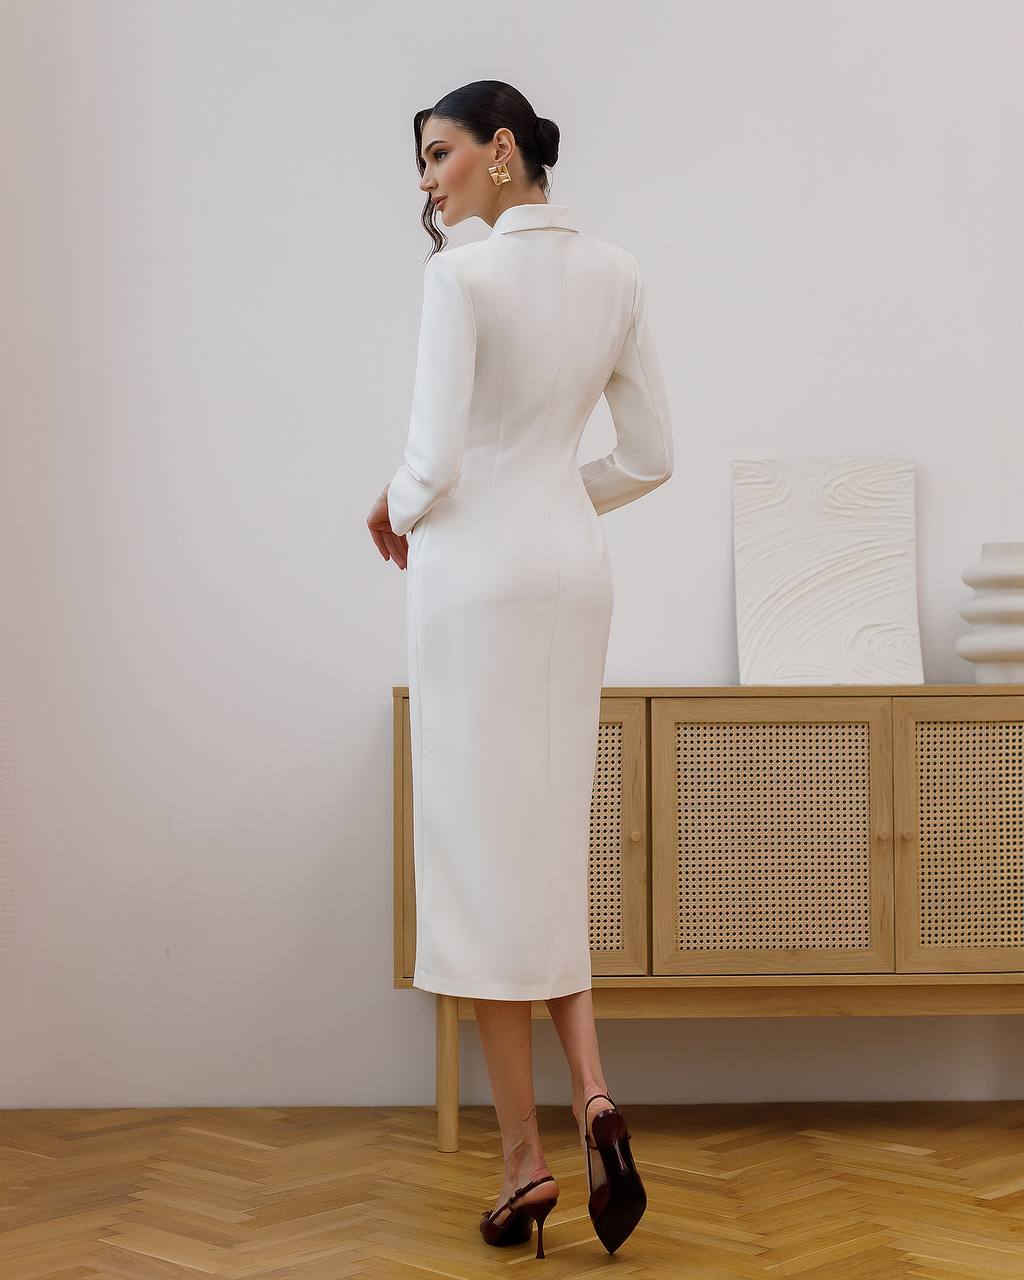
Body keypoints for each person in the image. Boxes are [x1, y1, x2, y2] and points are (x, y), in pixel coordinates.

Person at [366, 80, 673, 1257]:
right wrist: (551, 488)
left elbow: (433, 457)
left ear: (503, 151)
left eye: (440, 155)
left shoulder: (461, 276)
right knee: (545, 850)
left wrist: (394, 511)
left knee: (478, 866)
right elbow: (652, 453)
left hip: (477, 586)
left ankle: (523, 1164)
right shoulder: (617, 271)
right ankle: (596, 1095)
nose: (430, 181)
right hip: (573, 577)